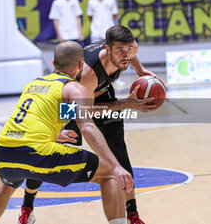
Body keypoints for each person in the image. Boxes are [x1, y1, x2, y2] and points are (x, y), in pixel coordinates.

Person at [0, 41, 133, 224]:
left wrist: (55, 134)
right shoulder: (74, 88)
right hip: (36, 152)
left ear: (54, 64)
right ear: (79, 65)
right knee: (109, 174)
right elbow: (87, 126)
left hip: (2, 152)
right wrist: (116, 165)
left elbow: (37, 117)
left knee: (7, 182)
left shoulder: (34, 84)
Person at [20, 25, 156, 224]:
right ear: (108, 50)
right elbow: (84, 113)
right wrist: (124, 104)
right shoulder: (87, 74)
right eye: (120, 50)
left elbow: (130, 54)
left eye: (129, 50)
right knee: (49, 151)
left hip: (100, 93)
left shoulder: (128, 48)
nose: (126, 55)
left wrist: (141, 71)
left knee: (119, 150)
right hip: (70, 101)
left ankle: (132, 214)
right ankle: (27, 208)